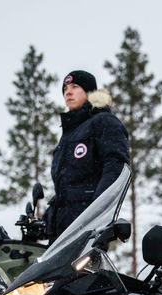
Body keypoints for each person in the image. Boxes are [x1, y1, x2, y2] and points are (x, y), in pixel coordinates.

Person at [45, 70, 130, 242]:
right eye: (65, 88)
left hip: (87, 228)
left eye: (75, 87)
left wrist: (97, 213)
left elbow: (115, 168)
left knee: (82, 270)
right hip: (63, 231)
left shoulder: (103, 122)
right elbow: (66, 191)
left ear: (90, 92)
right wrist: (45, 221)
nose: (68, 92)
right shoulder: (67, 136)